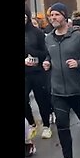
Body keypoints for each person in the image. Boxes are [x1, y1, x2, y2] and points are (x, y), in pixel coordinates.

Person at [42, 2, 80, 158]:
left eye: (57, 15)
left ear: (65, 16)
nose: (53, 18)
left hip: (78, 89)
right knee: (62, 125)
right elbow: (49, 55)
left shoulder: (78, 36)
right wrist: (46, 62)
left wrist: (78, 63)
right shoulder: (48, 38)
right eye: (51, 16)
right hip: (58, 90)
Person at [24, 10, 55, 146]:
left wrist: (33, 55)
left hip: (38, 72)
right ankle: (32, 123)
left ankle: (46, 126)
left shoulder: (37, 33)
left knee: (41, 99)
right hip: (25, 73)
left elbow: (45, 52)